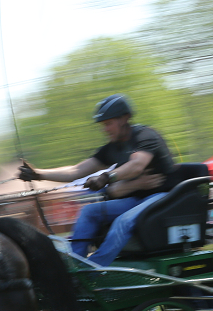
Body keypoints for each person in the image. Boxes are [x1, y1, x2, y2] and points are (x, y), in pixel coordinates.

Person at [18, 94, 179, 266]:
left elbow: (137, 165)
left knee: (122, 222)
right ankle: (74, 266)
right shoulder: (112, 147)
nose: (105, 129)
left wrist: (106, 177)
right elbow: (75, 171)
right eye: (103, 125)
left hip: (165, 198)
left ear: (124, 118)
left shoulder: (146, 136)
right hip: (137, 200)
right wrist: (38, 174)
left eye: (108, 123)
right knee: (89, 212)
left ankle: (92, 271)